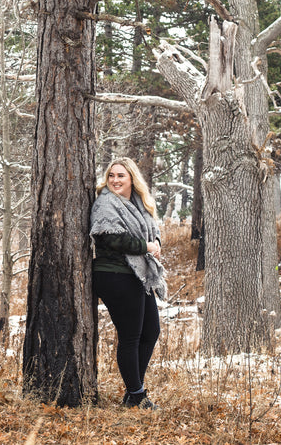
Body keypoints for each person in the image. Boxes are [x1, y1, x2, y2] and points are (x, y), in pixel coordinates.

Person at [90, 157, 167, 410]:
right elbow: (110, 239)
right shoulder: (105, 203)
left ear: (132, 178)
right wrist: (146, 246)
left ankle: (133, 390)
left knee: (151, 331)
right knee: (131, 337)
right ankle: (136, 395)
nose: (115, 180)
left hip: (138, 274)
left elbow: (151, 230)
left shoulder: (138, 204)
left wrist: (154, 242)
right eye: (111, 175)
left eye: (120, 175)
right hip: (114, 274)